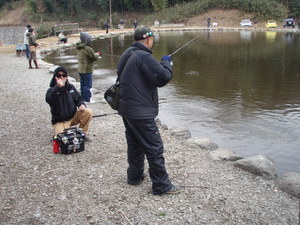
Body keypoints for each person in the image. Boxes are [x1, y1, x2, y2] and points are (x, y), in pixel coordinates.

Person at [116, 26, 181, 195]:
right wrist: (167, 63)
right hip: (140, 111)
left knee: (135, 144)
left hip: (126, 109)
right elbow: (163, 77)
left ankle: (134, 177)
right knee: (154, 147)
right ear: (149, 40)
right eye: (152, 40)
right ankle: (161, 185)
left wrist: (158, 65)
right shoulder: (143, 56)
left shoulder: (128, 53)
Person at [45, 66, 93, 138]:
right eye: (59, 75)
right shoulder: (52, 90)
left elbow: (79, 98)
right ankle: (60, 130)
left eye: (63, 75)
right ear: (55, 77)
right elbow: (48, 99)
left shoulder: (71, 87)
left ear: (67, 77)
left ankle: (82, 133)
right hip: (60, 120)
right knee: (62, 138)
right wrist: (58, 87)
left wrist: (81, 104)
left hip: (72, 117)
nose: (61, 77)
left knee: (88, 112)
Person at [76, 32, 100, 103]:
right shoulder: (87, 48)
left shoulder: (79, 47)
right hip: (87, 70)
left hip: (80, 69)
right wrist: (98, 54)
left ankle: (82, 98)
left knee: (82, 84)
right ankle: (87, 99)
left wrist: (95, 54)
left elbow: (87, 56)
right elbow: (93, 57)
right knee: (88, 85)